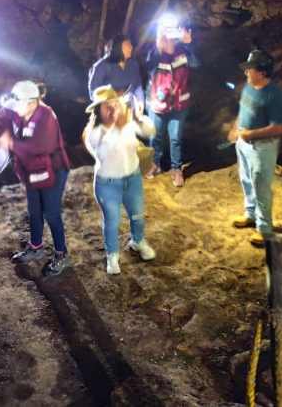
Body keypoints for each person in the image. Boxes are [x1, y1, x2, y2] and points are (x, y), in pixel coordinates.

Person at [0, 80, 72, 277]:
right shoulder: (17, 109)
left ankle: (61, 254)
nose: (14, 108)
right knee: (34, 209)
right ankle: (36, 246)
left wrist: (10, 143)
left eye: (18, 104)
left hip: (53, 170)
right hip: (31, 171)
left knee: (51, 213)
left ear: (32, 102)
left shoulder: (47, 117)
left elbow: (40, 146)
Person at [84, 86, 157, 275]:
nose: (112, 107)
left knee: (138, 214)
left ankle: (138, 241)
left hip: (132, 178)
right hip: (108, 184)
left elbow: (150, 131)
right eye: (106, 105)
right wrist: (118, 125)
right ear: (98, 110)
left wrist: (139, 119)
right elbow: (105, 152)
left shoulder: (127, 122)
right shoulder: (95, 132)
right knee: (112, 220)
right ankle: (112, 255)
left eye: (114, 103)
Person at [228, 50, 282, 247]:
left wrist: (250, 134)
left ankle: (264, 228)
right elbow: (243, 108)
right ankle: (250, 214)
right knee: (246, 180)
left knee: (261, 186)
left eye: (250, 69)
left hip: (262, 148)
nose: (246, 72)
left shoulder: (274, 95)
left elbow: (278, 127)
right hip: (243, 143)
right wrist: (236, 128)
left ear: (262, 72)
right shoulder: (249, 87)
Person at [144, 23, 199, 187]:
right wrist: (158, 46)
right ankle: (154, 164)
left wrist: (189, 44)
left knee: (175, 138)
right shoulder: (155, 53)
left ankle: (176, 169)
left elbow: (196, 64)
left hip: (179, 105)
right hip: (157, 104)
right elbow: (149, 66)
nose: (170, 38)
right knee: (155, 137)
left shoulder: (184, 51)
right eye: (166, 33)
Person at [88, 34, 145, 104]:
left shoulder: (133, 65)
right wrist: (112, 97)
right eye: (128, 45)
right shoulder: (102, 66)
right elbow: (93, 93)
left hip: (128, 111)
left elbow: (138, 86)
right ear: (118, 47)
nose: (131, 47)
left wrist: (140, 103)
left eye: (131, 45)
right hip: (109, 110)